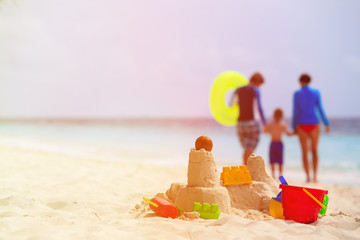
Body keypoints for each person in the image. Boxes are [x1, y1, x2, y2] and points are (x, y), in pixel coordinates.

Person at [292, 73, 330, 183]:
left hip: (301, 124)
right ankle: (315, 177)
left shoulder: (297, 94)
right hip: (314, 123)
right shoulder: (316, 92)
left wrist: (294, 126)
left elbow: (295, 111)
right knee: (314, 150)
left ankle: (308, 177)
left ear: (300, 81)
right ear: (309, 81)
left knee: (304, 152)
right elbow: (320, 109)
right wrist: (326, 123)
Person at [231, 72, 266, 165]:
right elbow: (259, 108)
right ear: (258, 82)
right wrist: (264, 123)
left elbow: (231, 104)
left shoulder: (238, 90)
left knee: (246, 149)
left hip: (241, 124)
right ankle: (247, 171)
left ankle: (245, 169)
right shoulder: (255, 90)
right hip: (252, 123)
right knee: (250, 149)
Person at [264, 108, 293, 179]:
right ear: (274, 116)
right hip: (273, 143)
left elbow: (287, 133)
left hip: (279, 144)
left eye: (279, 116)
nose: (277, 118)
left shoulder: (282, 125)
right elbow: (265, 131)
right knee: (272, 160)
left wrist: (294, 133)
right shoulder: (271, 124)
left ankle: (280, 175)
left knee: (280, 161)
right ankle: (273, 175)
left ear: (281, 117)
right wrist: (266, 128)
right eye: (276, 116)